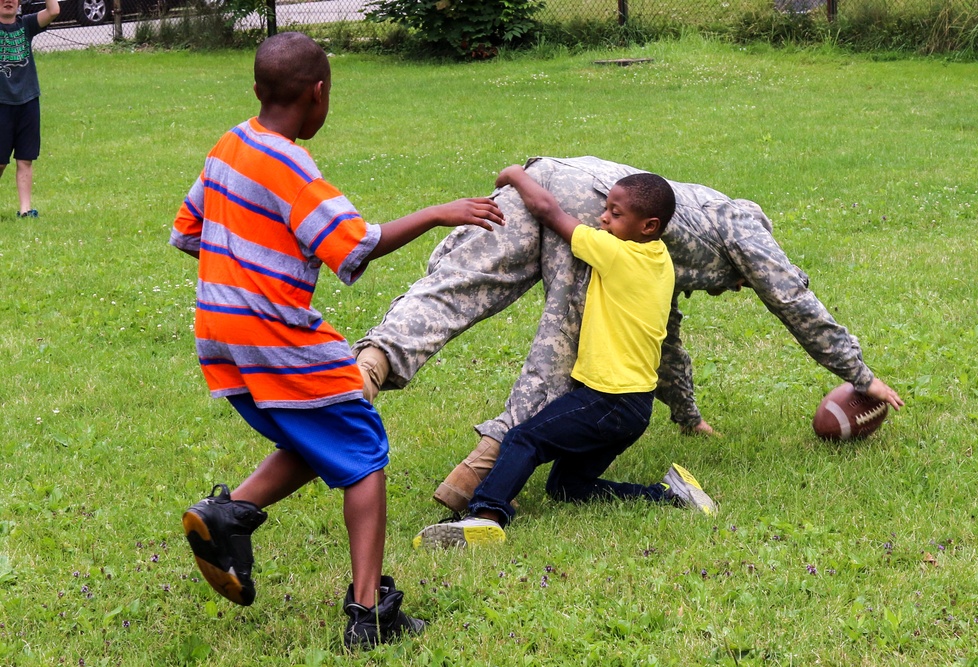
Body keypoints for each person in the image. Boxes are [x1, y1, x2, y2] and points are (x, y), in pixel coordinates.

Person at [170, 32, 503, 648]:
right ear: (318, 94)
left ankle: (228, 515)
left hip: (218, 331)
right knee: (365, 448)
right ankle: (369, 613)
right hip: (274, 334)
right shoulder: (292, 166)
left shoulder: (228, 145)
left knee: (321, 430)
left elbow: (190, 228)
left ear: (256, 90)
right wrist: (438, 212)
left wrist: (246, 258)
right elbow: (356, 244)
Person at [352, 157, 904, 513]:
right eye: (740, 282)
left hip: (547, 172)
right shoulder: (737, 224)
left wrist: (687, 415)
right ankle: (483, 473)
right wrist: (861, 374)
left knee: (457, 285)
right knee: (563, 343)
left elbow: (663, 336)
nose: (736, 289)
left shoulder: (669, 247)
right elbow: (793, 298)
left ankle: (369, 365)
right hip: (588, 201)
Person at [412, 165, 715, 548]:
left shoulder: (616, 253)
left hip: (610, 399)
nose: (603, 217)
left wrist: (515, 175)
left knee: (524, 439)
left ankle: (485, 516)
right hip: (634, 407)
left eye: (616, 214)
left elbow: (549, 212)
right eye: (606, 208)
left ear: (649, 226)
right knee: (569, 487)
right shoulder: (659, 260)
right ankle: (670, 495)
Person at [0, 0, 59, 218]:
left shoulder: (26, 25)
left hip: (28, 101)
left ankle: (25, 210)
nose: (8, 1)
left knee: (25, 158)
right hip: (2, 103)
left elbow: (53, 10)